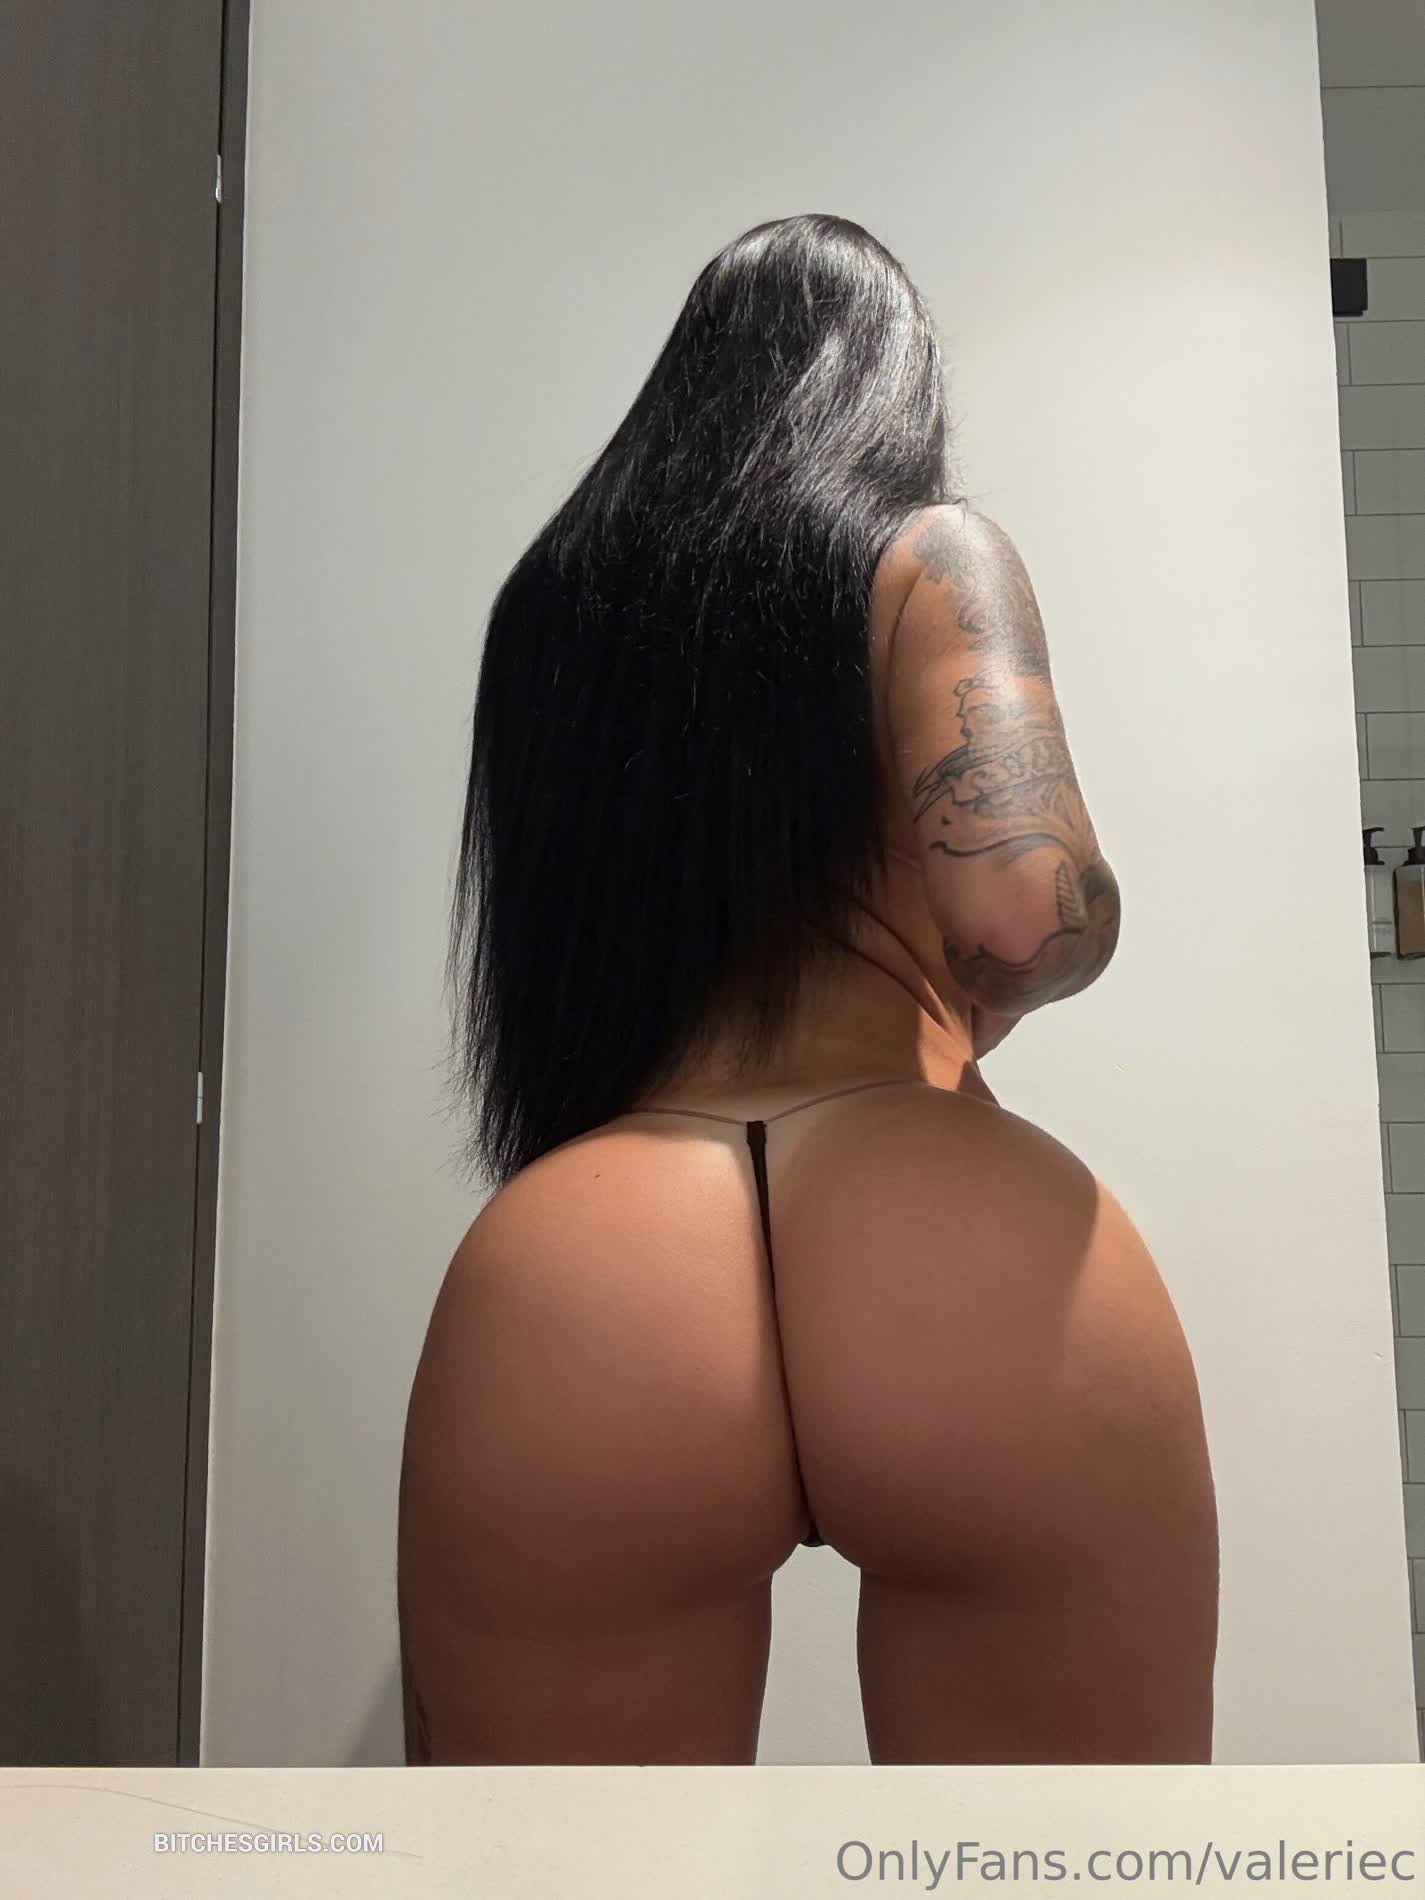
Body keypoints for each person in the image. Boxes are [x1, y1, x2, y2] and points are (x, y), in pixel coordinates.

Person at [396, 213, 1219, 1767]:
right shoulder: (929, 555)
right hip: (948, 1241)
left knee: (560, 1873)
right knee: (1064, 1870)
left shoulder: (553, 597)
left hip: (597, 1269)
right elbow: (1028, 907)